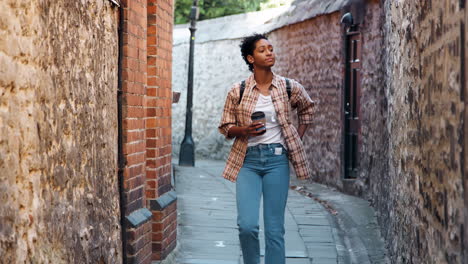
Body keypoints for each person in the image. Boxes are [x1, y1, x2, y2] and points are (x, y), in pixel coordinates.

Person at [218, 33, 315, 264]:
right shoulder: (237, 90)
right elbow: (225, 127)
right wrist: (245, 130)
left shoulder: (288, 86)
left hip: (277, 161)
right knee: (247, 226)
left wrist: (295, 140)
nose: (269, 52)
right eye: (262, 50)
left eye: (271, 48)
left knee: (274, 229)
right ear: (251, 58)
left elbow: (308, 110)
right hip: (247, 162)